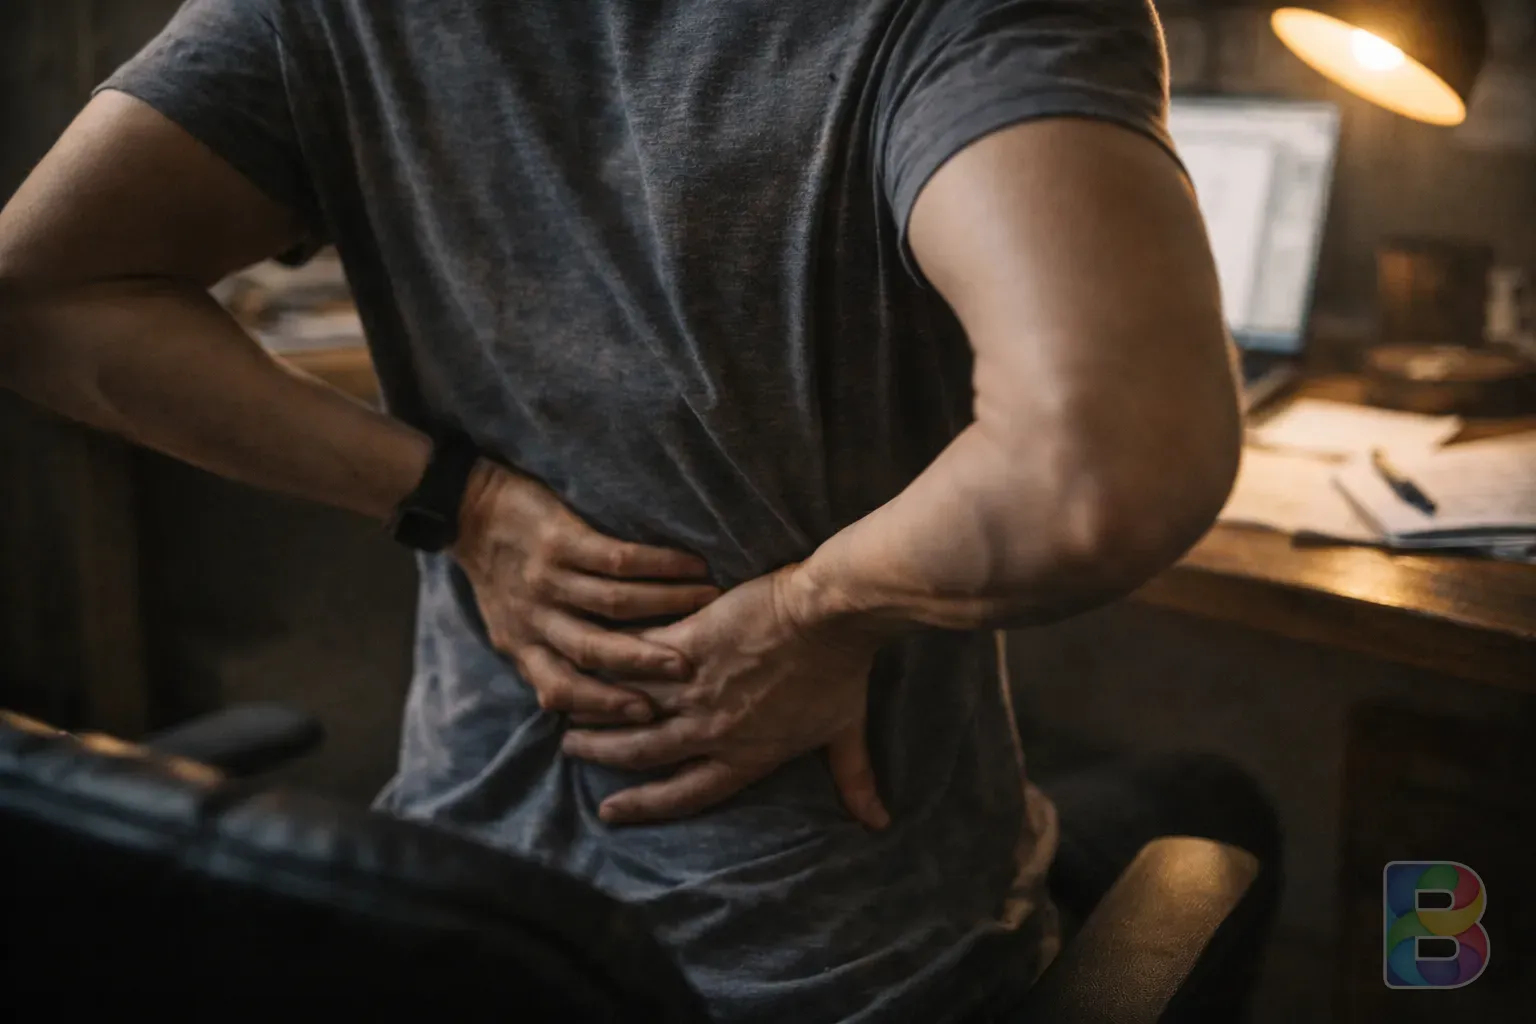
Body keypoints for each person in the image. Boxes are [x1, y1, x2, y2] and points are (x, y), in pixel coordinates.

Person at [0, 0, 1277, 1020]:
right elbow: (1108, 457)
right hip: (841, 970)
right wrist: (816, 613)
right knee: (1213, 806)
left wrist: (460, 502)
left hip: (467, 941)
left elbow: (38, 292)